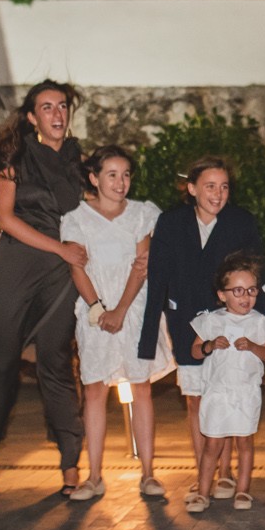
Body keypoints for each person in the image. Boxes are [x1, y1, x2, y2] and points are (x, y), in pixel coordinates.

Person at [0, 80, 87, 505]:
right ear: (31, 117)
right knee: (1, 365)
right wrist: (60, 247)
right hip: (17, 266)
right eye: (47, 107)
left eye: (62, 106)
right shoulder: (13, 157)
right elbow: (5, 218)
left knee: (56, 364)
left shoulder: (80, 160)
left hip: (61, 274)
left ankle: (71, 464)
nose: (57, 114)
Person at [137, 156, 265, 502]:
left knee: (228, 397)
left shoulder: (241, 222)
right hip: (187, 325)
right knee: (197, 401)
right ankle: (203, 474)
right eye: (210, 186)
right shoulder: (171, 222)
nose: (218, 194)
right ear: (192, 188)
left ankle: (226, 474)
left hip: (233, 325)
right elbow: (157, 279)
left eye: (224, 187)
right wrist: (147, 339)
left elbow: (257, 275)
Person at [59, 145, 171, 503]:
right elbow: (77, 267)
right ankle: (93, 476)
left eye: (125, 175)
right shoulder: (76, 218)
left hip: (134, 309)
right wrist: (98, 307)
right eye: (112, 175)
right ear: (94, 178)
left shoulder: (142, 214)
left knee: (141, 386)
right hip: (95, 310)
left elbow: (142, 264)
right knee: (94, 389)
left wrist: (120, 310)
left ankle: (148, 473)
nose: (120, 183)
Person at [185, 254, 265, 514]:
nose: (245, 297)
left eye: (251, 290)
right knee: (212, 444)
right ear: (222, 294)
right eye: (238, 291)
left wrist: (253, 346)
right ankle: (203, 493)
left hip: (246, 393)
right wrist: (209, 345)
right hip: (218, 393)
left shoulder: (259, 322)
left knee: (244, 442)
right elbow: (195, 351)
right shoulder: (211, 320)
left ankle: (243, 490)